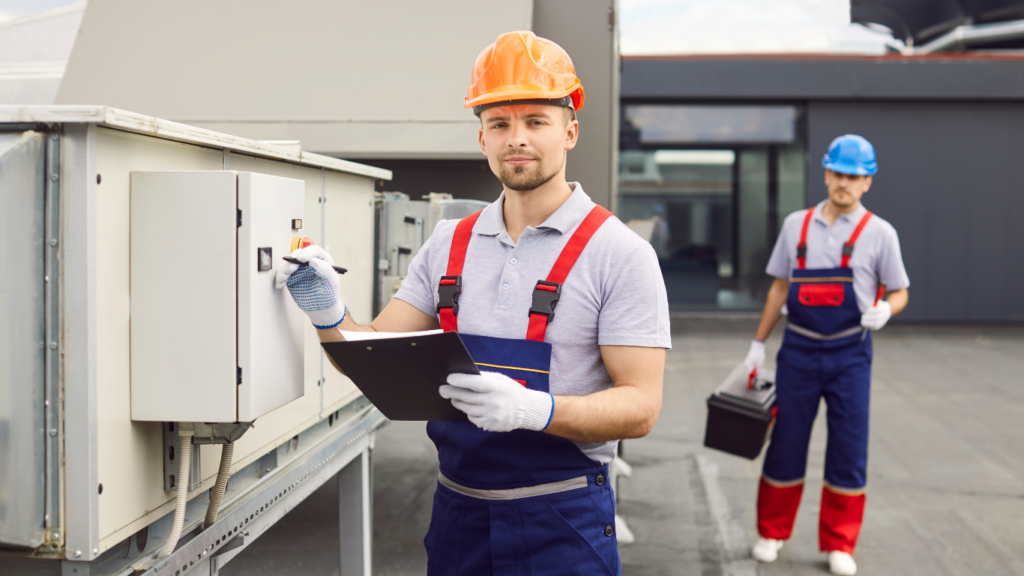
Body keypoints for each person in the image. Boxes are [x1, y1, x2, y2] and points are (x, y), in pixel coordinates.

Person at [276, 31, 670, 576]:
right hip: (458, 515)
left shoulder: (620, 254)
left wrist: (537, 411)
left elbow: (642, 406)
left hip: (562, 520)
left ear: (570, 131)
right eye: (500, 123)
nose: (517, 139)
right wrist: (327, 312)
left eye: (536, 121)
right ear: (481, 137)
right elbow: (372, 355)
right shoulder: (448, 244)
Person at [743, 135, 910, 575]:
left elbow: (901, 291)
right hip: (797, 351)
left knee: (848, 448)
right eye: (837, 174)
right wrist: (758, 344)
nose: (843, 183)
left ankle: (840, 543)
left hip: (850, 355)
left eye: (853, 177)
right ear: (825, 174)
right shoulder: (796, 225)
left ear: (867, 181)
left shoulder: (881, 234)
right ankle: (772, 532)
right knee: (786, 443)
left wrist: (885, 310)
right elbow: (780, 287)